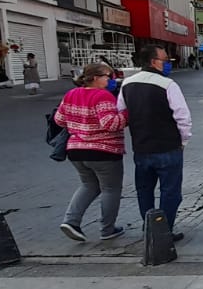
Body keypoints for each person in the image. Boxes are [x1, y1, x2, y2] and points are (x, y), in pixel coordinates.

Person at [118, 42, 192, 242]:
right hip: (168, 147)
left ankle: (149, 227)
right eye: (165, 61)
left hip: (141, 148)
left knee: (144, 190)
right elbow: (183, 117)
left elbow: (121, 113)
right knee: (170, 192)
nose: (168, 64)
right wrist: (183, 141)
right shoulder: (168, 85)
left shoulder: (127, 84)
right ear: (154, 61)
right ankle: (163, 230)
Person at [54, 63, 128, 242]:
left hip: (76, 150)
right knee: (110, 189)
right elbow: (110, 123)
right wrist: (126, 114)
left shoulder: (71, 94)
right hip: (103, 151)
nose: (110, 80)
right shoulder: (102, 96)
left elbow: (59, 119)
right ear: (95, 78)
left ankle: (71, 221)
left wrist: (79, 124)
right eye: (106, 76)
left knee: (89, 185)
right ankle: (107, 229)